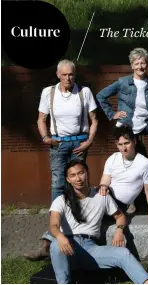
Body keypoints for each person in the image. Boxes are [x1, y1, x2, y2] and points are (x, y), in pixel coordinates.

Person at [25, 59, 99, 260]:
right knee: (58, 185)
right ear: (58, 74)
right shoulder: (48, 92)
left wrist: (89, 141)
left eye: (71, 74)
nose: (68, 78)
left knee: (79, 183)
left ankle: (83, 229)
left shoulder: (84, 92)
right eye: (65, 74)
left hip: (79, 143)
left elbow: (95, 120)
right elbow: (41, 119)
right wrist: (45, 138)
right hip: (58, 144)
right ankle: (53, 231)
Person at [48, 160, 148, 284]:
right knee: (55, 244)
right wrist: (60, 237)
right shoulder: (61, 200)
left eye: (81, 173)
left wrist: (119, 231)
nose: (78, 178)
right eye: (73, 175)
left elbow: (120, 216)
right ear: (68, 179)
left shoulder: (102, 196)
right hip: (67, 247)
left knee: (123, 253)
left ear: (87, 173)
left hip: (90, 249)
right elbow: (53, 225)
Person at [98, 125, 148, 221]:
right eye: (120, 144)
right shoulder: (113, 158)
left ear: (134, 141)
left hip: (119, 205)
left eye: (126, 143)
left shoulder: (145, 163)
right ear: (116, 144)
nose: (123, 148)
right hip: (105, 197)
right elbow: (105, 179)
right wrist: (103, 186)